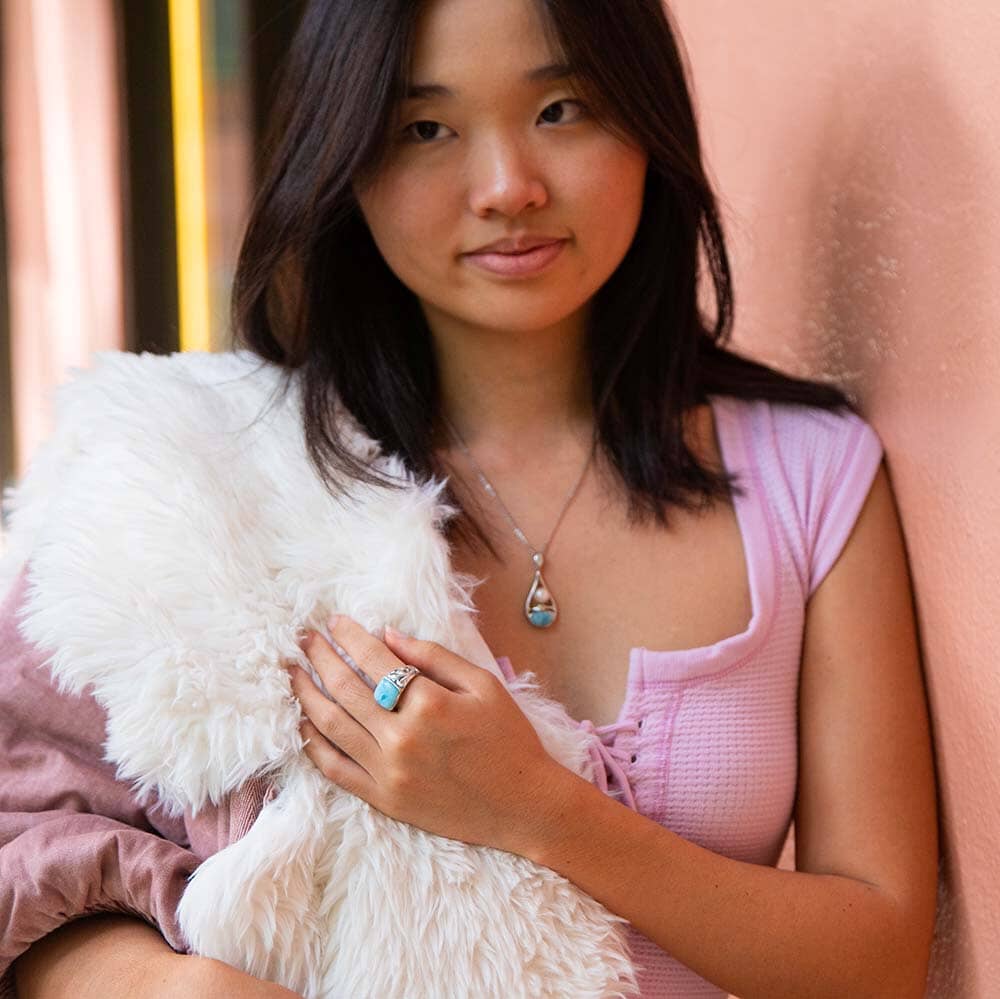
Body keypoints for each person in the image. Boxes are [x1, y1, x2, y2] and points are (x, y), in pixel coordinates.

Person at [2, 0, 938, 996]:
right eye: (425, 128)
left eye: (563, 108)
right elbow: (27, 829)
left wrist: (537, 809)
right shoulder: (199, 477)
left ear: (646, 119)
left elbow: (877, 953)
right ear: (347, 162)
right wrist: (170, 989)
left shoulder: (813, 476)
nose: (508, 188)